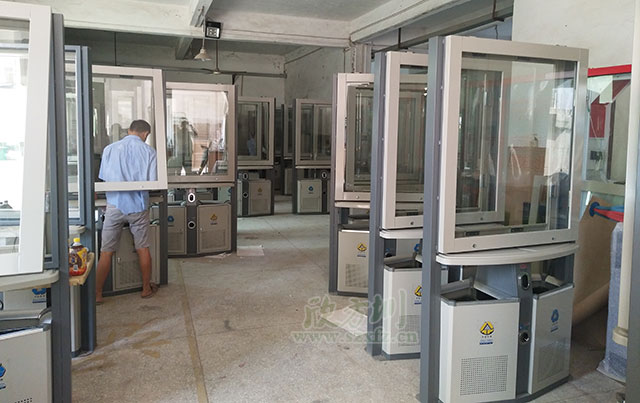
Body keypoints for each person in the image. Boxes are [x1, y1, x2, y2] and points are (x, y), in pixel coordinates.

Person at [96, 120, 158, 303]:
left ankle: (97, 294)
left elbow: (104, 178)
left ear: (129, 130)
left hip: (114, 205)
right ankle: (146, 289)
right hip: (138, 207)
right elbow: (152, 182)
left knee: (106, 252)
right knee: (142, 248)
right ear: (146, 134)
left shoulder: (109, 149)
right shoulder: (149, 152)